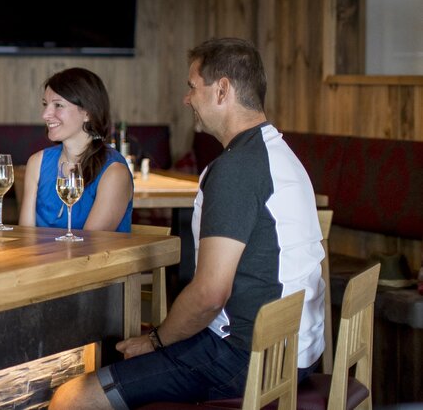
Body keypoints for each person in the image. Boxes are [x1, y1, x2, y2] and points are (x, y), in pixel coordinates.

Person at [51, 38, 325, 409]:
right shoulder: (279, 153)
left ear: (222, 90)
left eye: (192, 86)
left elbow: (211, 294)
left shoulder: (236, 169)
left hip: (244, 358)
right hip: (295, 351)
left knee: (72, 397)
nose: (186, 98)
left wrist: (156, 341)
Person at [18, 68, 132, 232]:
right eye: (45, 104)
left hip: (88, 257)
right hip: (39, 257)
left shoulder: (114, 172)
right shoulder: (37, 162)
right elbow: (26, 237)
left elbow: (88, 249)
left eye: (58, 105)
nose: (45, 114)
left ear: (87, 113)